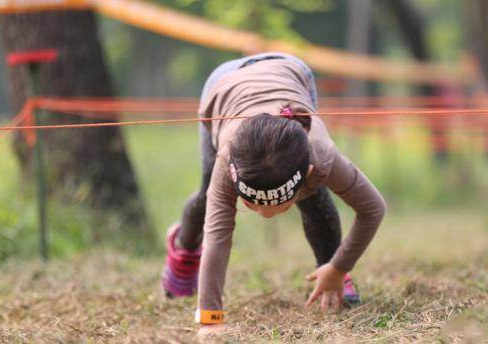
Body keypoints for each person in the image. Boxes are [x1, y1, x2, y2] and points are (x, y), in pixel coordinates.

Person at [160, 52, 387, 335]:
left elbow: (373, 208)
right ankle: (183, 250)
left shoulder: (322, 157)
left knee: (315, 196)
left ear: (304, 174)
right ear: (236, 177)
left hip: (288, 71)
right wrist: (209, 319)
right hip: (224, 85)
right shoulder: (227, 160)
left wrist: (339, 267)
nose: (264, 215)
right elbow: (218, 236)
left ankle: (329, 272)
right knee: (208, 196)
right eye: (251, 204)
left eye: (278, 206)